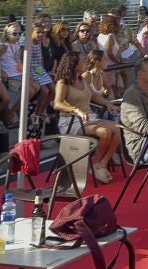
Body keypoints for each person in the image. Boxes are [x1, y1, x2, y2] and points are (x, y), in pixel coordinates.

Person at [51, 53, 121, 184]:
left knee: (118, 129)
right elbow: (57, 103)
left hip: (89, 118)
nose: (86, 63)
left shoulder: (82, 79)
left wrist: (107, 104)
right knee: (104, 132)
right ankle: (97, 165)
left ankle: (100, 165)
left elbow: (95, 96)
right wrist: (75, 110)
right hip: (70, 121)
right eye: (83, 61)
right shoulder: (62, 82)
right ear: (74, 65)